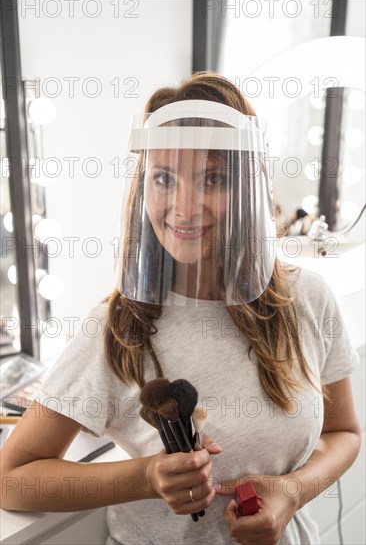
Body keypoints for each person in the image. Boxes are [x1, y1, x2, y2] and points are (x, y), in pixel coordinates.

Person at [0, 72, 361, 545]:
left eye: (213, 178)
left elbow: (345, 432)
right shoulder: (118, 328)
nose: (185, 208)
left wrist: (293, 491)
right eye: (164, 178)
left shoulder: (308, 298)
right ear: (142, 187)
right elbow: (12, 479)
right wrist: (146, 476)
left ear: (251, 188)